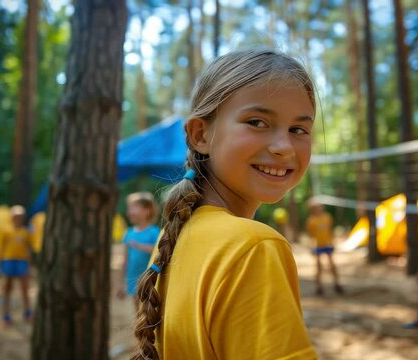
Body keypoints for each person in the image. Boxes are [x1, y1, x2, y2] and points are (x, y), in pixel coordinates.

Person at [131, 48, 318, 359]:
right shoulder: (253, 247)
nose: (284, 147)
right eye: (257, 122)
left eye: (298, 129)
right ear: (201, 134)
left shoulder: (174, 236)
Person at [116, 192, 160, 312]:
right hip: (133, 280)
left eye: (133, 207)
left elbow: (160, 253)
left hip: (150, 281)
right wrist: (120, 282)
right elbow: (125, 259)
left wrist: (141, 246)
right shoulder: (129, 233)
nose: (129, 211)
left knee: (150, 311)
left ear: (147, 210)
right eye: (128, 208)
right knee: (138, 311)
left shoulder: (154, 232)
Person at [0, 205, 33, 327]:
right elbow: (2, 249)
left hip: (21, 262)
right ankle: (5, 316)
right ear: (12, 217)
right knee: (7, 289)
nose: (18, 219)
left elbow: (28, 249)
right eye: (16, 216)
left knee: (25, 289)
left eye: (20, 217)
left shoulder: (26, 232)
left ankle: (28, 313)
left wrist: (29, 266)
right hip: (8, 262)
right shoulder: (6, 231)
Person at [306, 199, 343, 295]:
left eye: (320, 207)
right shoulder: (311, 221)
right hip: (318, 245)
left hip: (327, 244)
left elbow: (330, 230)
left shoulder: (327, 217)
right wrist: (311, 246)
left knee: (332, 264)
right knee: (318, 266)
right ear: (312, 209)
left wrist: (333, 242)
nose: (319, 209)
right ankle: (319, 287)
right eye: (317, 207)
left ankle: (337, 284)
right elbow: (310, 235)